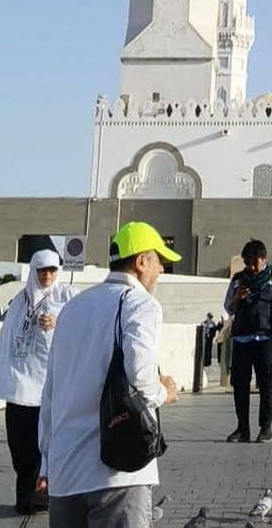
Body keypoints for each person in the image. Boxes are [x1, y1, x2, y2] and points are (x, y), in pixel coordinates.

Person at [37, 222, 180, 527]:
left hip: (65, 474)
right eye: (159, 261)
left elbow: (49, 392)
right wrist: (165, 392)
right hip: (117, 474)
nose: (161, 271)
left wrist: (46, 465)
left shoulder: (73, 308)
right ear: (141, 261)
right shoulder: (141, 304)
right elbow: (141, 377)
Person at [0, 249, 76, 514]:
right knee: (21, 447)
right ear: (33, 271)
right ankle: (26, 497)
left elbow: (82, 328)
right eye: (42, 270)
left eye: (52, 270)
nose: (47, 275)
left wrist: (58, 322)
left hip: (51, 387)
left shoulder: (68, 296)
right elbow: (7, 338)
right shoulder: (21, 299)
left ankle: (46, 496)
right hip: (20, 387)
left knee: (48, 446)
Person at [223, 239, 272, 442]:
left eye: (254, 261)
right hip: (242, 337)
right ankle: (242, 428)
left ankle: (265, 427)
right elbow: (228, 307)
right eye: (247, 262)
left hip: (265, 337)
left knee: (265, 382)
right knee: (240, 384)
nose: (251, 267)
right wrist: (237, 298)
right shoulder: (238, 279)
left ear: (263, 258)